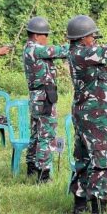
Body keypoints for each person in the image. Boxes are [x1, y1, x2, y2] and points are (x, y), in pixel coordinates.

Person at [66, 15, 107, 214]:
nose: (94, 39)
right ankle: (98, 210)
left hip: (86, 113)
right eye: (91, 36)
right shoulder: (84, 54)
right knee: (101, 159)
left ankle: (79, 206)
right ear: (81, 38)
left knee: (83, 158)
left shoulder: (78, 52)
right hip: (93, 116)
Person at [22, 16, 69, 183]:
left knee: (36, 132)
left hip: (38, 97)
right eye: (45, 35)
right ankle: (43, 174)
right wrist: (77, 44)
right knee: (46, 135)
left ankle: (32, 167)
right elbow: (60, 51)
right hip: (44, 97)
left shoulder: (29, 49)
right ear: (36, 35)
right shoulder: (35, 49)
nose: (46, 39)